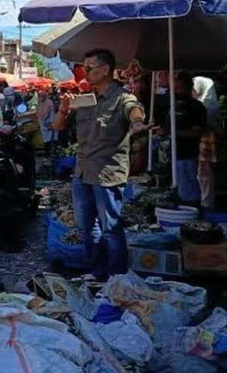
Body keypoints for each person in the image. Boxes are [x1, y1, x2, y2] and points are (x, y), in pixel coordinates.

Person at [53, 49, 149, 279]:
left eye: (88, 68)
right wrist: (64, 108)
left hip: (107, 174)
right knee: (86, 228)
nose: (83, 72)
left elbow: (134, 112)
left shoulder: (122, 97)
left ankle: (118, 277)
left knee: (111, 230)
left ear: (105, 70)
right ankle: (97, 273)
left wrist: (137, 124)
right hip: (82, 172)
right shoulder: (87, 98)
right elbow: (57, 127)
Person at [163, 73, 206, 205]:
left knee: (189, 190)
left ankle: (192, 210)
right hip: (174, 153)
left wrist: (175, 132)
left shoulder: (196, 107)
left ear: (188, 88)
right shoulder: (173, 105)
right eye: (175, 89)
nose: (177, 92)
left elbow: (196, 132)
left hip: (188, 154)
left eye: (179, 88)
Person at [37, 90, 57, 156]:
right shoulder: (39, 103)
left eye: (41, 96)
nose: (40, 97)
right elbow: (39, 112)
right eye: (39, 96)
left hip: (49, 123)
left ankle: (52, 152)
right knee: (45, 139)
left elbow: (52, 113)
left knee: (51, 138)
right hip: (42, 123)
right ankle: (47, 153)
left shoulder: (49, 103)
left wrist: (51, 122)